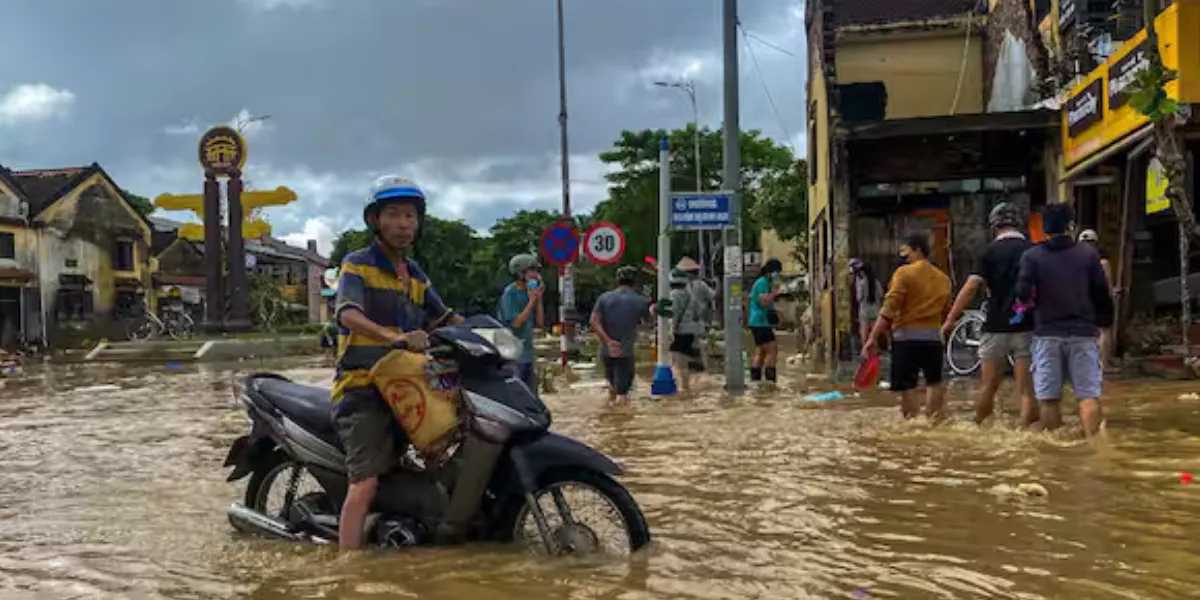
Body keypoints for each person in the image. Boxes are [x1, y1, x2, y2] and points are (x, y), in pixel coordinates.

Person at [331, 175, 464, 550]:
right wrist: (394, 337)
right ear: (375, 220)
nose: (404, 224)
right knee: (365, 483)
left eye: (410, 216)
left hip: (408, 385)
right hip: (362, 390)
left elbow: (444, 317)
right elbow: (347, 313)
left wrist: (485, 336)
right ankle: (348, 569)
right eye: (394, 214)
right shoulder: (356, 265)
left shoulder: (415, 274)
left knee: (442, 450)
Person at [1015, 203, 1113, 438]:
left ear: (1045, 228)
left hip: (1047, 333)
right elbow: (1101, 292)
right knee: (1088, 395)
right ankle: (1094, 446)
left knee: (1048, 399)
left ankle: (1056, 451)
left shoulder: (1032, 256)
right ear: (1071, 225)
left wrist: (1027, 315)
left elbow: (1022, 294)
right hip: (1082, 333)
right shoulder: (1088, 254)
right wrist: (1104, 322)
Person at [941, 203, 1038, 427]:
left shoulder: (988, 252)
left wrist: (950, 320)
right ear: (1019, 224)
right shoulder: (1033, 251)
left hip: (995, 327)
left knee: (988, 387)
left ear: (994, 226)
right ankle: (1024, 435)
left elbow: (970, 287)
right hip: (1027, 326)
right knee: (1027, 389)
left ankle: (980, 429)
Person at [863, 233, 951, 419]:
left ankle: (912, 423)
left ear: (918, 249)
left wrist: (872, 338)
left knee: (907, 385)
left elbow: (889, 310)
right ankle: (932, 422)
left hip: (906, 340)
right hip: (933, 340)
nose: (905, 257)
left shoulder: (904, 273)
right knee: (934, 382)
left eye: (907, 252)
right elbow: (946, 312)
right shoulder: (943, 279)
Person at [591, 266, 653, 402]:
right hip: (624, 352)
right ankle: (622, 421)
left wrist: (608, 341)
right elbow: (649, 323)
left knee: (612, 388)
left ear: (617, 280)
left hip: (606, 352)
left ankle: (609, 418)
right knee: (623, 394)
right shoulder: (640, 301)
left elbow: (594, 321)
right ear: (634, 282)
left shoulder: (604, 298)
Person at [499, 253, 544, 392]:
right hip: (513, 355)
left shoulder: (530, 292)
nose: (535, 274)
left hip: (527, 354)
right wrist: (531, 302)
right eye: (532, 271)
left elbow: (540, 322)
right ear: (520, 273)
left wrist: (538, 299)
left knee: (533, 397)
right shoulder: (510, 294)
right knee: (518, 395)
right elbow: (515, 323)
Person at [1078, 229, 1114, 368]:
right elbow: (1109, 283)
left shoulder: (1076, 261)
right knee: (1104, 331)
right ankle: (1104, 362)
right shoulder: (1103, 262)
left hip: (1084, 298)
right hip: (1102, 297)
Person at [748, 259, 784, 385]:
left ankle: (756, 381)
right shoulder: (762, 283)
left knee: (761, 351)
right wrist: (774, 293)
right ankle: (770, 382)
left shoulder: (764, 283)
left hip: (760, 322)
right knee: (772, 349)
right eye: (777, 273)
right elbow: (764, 302)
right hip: (760, 322)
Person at [849, 258, 884, 352]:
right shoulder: (876, 282)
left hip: (864, 311)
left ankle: (865, 353)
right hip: (875, 311)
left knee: (864, 334)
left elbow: (859, 298)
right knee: (873, 335)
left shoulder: (862, 282)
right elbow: (881, 295)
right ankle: (874, 354)